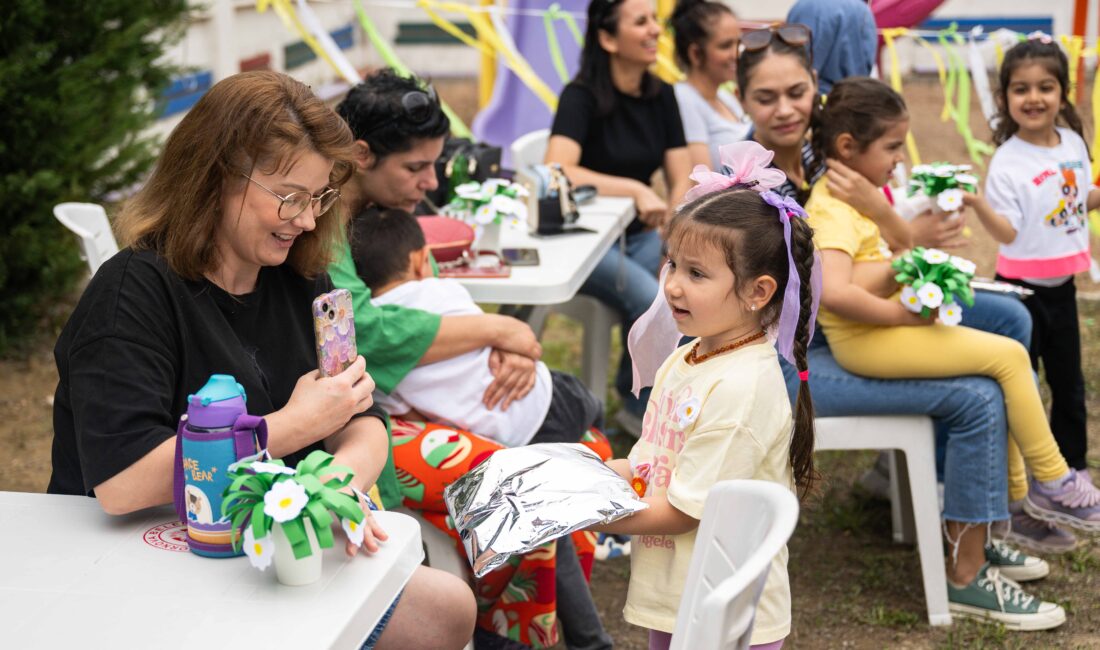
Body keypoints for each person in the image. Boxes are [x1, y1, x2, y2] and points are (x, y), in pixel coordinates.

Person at [47, 71, 475, 650]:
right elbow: (122, 484)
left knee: (446, 610)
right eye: (289, 197)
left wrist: (330, 492)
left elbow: (362, 417)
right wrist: (294, 427)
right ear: (217, 175)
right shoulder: (131, 294)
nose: (305, 220)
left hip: (261, 550)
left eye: (319, 197)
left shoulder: (302, 277)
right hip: (137, 564)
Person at [330, 69, 611, 650]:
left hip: (390, 406)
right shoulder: (324, 222)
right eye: (414, 168)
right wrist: (499, 327)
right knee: (529, 482)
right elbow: (370, 333)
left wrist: (503, 346)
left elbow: (411, 311)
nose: (431, 182)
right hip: (352, 427)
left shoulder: (363, 216)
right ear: (360, 155)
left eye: (434, 163)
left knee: (571, 456)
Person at [807, 76, 1100, 628]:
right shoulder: (832, 207)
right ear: (848, 147)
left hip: (883, 333)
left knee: (1003, 357)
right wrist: (902, 302)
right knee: (1005, 361)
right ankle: (1052, 482)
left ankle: (1007, 512)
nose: (899, 160)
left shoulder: (854, 191)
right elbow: (837, 291)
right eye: (892, 147)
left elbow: (879, 258)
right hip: (865, 344)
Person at [590, 142, 817, 650]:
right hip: (678, 592)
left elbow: (685, 512)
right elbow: (654, 462)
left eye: (696, 274)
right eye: (672, 265)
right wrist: (594, 478)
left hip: (726, 612)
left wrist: (593, 514)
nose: (671, 286)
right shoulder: (688, 356)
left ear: (758, 292)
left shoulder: (741, 388)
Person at [545, 0, 693, 425]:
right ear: (608, 38)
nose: (654, 32)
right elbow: (558, 169)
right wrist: (634, 189)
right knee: (658, 297)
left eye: (655, 22)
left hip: (641, 237)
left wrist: (676, 234)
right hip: (581, 244)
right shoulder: (581, 96)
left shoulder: (661, 94)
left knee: (692, 282)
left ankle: (653, 394)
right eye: (641, 22)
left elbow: (681, 174)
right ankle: (641, 408)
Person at [963, 38, 1095, 479]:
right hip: (1020, 292)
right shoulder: (1007, 160)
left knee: (1069, 386)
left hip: (1063, 288)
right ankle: (1017, 472)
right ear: (1005, 99)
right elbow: (1009, 231)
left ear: (1062, 92)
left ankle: (1072, 470)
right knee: (1023, 387)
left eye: (1045, 87)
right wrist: (981, 205)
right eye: (1021, 89)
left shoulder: (1073, 143)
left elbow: (1076, 201)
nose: (1034, 98)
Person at [669, 0, 751, 169]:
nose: (737, 53)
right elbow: (701, 179)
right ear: (696, 53)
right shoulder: (684, 99)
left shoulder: (723, 96)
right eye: (726, 45)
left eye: (738, 42)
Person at [786, 0, 878, 94]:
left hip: (815, 98)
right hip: (854, 97)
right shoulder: (862, 9)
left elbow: (798, 63)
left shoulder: (808, 6)